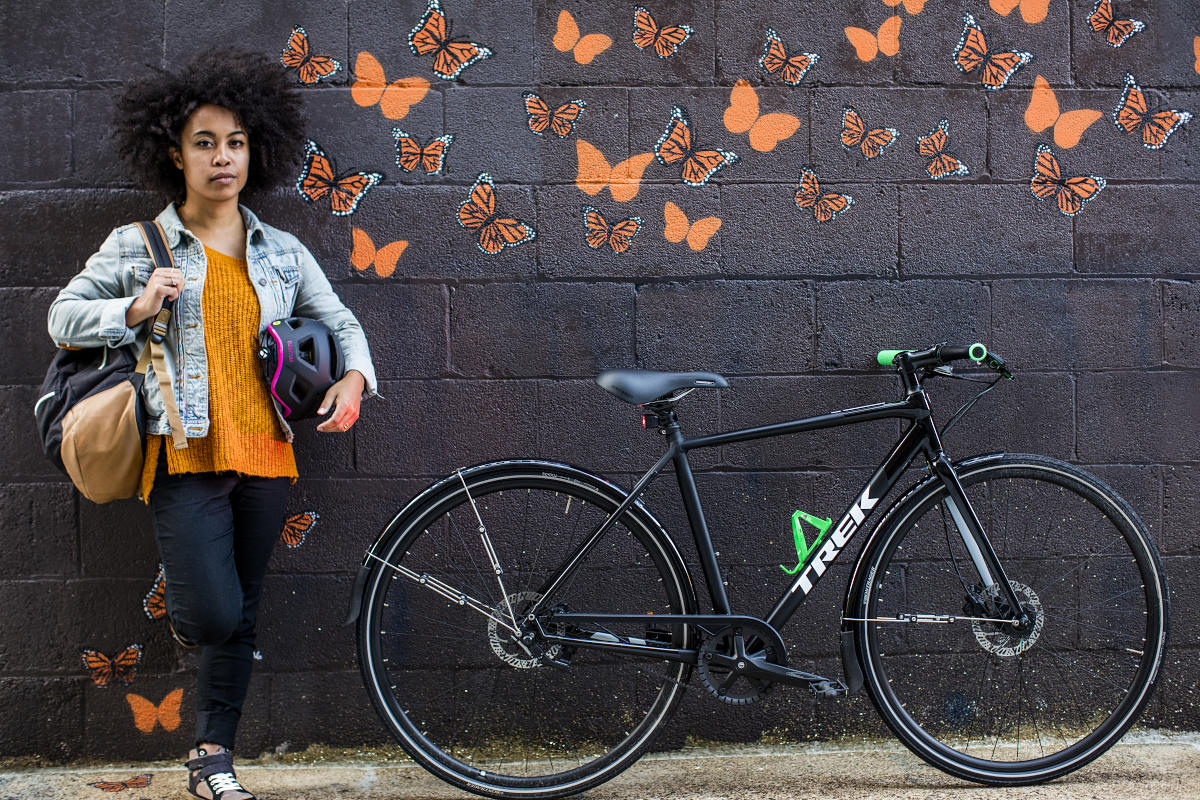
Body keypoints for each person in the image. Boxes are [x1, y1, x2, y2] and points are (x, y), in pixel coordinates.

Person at [46, 49, 377, 800]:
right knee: (212, 612)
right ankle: (210, 728)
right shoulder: (139, 246)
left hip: (266, 454)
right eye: (204, 142)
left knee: (245, 613)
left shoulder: (281, 251)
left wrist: (355, 377)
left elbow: (340, 320)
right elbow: (61, 315)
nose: (221, 157)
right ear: (175, 151)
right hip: (182, 455)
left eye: (234, 142)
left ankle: (211, 757)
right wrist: (132, 308)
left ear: (254, 149)